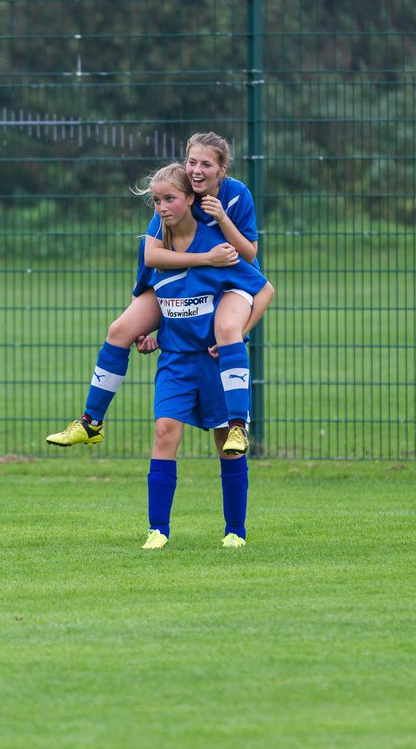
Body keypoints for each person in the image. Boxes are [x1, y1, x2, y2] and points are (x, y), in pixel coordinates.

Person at [46, 132, 264, 455]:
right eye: (192, 161)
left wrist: (221, 218)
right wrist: (202, 260)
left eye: (206, 163)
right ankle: (91, 422)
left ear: (222, 169)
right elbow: (151, 257)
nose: (197, 169)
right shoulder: (174, 197)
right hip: (190, 276)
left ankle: (237, 426)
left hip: (232, 280)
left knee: (227, 331)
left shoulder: (235, 196)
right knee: (119, 330)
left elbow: (249, 255)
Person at [130, 164, 274, 550]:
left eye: (169, 199)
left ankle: (235, 530)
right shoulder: (155, 251)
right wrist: (150, 337)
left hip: (213, 362)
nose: (161, 207)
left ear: (190, 199)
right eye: (156, 201)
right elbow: (160, 303)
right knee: (164, 433)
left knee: (226, 439)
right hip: (175, 362)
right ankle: (158, 529)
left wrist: (236, 334)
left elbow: (263, 288)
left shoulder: (217, 247)